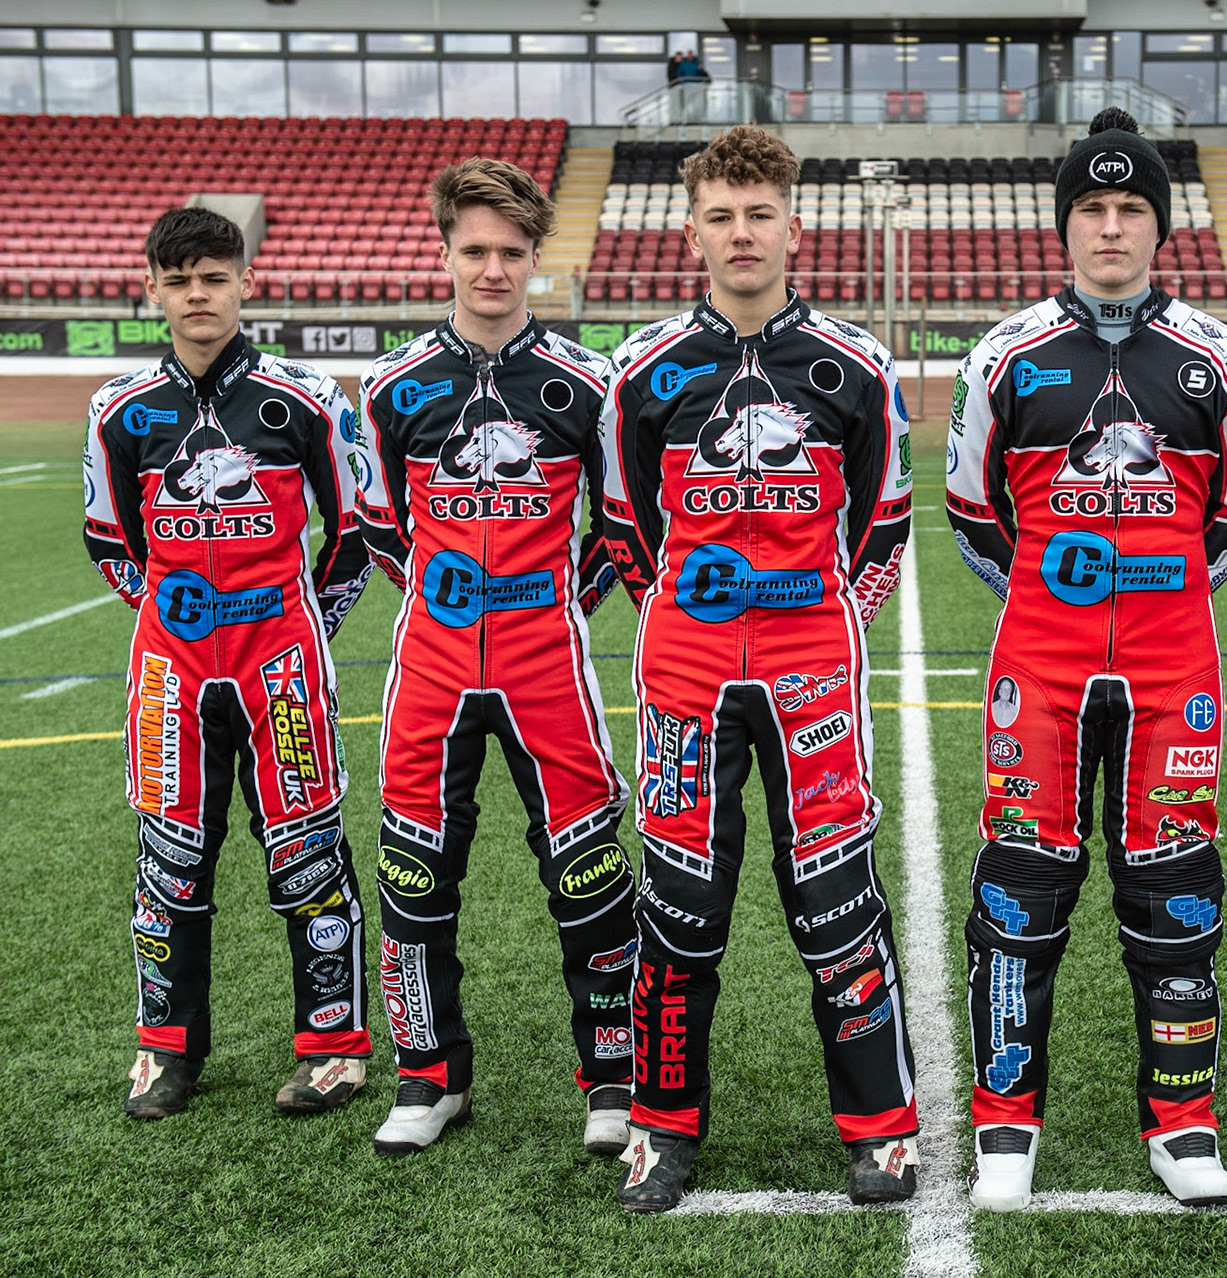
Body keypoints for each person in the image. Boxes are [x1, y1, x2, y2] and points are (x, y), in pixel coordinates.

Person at [945, 107, 1227, 1209]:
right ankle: (1005, 1121)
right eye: (1093, 208)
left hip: (1176, 674)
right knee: (1022, 890)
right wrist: (1054, 602)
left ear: (1160, 228)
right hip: (1038, 669)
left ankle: (1181, 1124)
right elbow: (971, 515)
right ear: (1065, 225)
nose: (1113, 228)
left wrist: (1159, 597)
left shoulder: (1223, 358)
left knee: (1174, 888)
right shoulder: (1003, 356)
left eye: (1133, 210)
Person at [598, 124, 917, 1213]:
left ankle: (880, 1129)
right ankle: (661, 1128)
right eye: (722, 217)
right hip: (686, 677)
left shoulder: (855, 365)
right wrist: (684, 616)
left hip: (812, 676)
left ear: (795, 226)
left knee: (836, 901)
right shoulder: (643, 370)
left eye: (760, 214)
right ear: (692, 234)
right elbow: (625, 527)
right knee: (680, 910)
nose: (743, 234)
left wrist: (824, 618)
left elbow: (885, 522)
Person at [353, 158, 637, 1157]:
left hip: (547, 667)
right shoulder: (392, 387)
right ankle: (430, 1077)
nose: (493, 270)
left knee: (590, 871)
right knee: (414, 874)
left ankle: (611, 1077)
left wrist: (547, 602)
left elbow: (618, 529)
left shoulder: (586, 384)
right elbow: (381, 528)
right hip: (428, 667)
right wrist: (452, 601)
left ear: (536, 260)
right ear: (445, 252)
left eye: (512, 253)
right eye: (475, 250)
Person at [83, 206, 374, 1119]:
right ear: (153, 292)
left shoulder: (308, 396)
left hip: (280, 669)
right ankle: (166, 1052)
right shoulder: (118, 409)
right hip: (172, 675)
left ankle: (332, 1049)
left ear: (246, 282)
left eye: (214, 277)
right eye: (179, 281)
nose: (197, 295)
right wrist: (172, 616)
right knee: (169, 863)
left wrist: (304, 626)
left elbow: (356, 536)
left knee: (307, 856)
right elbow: (108, 541)